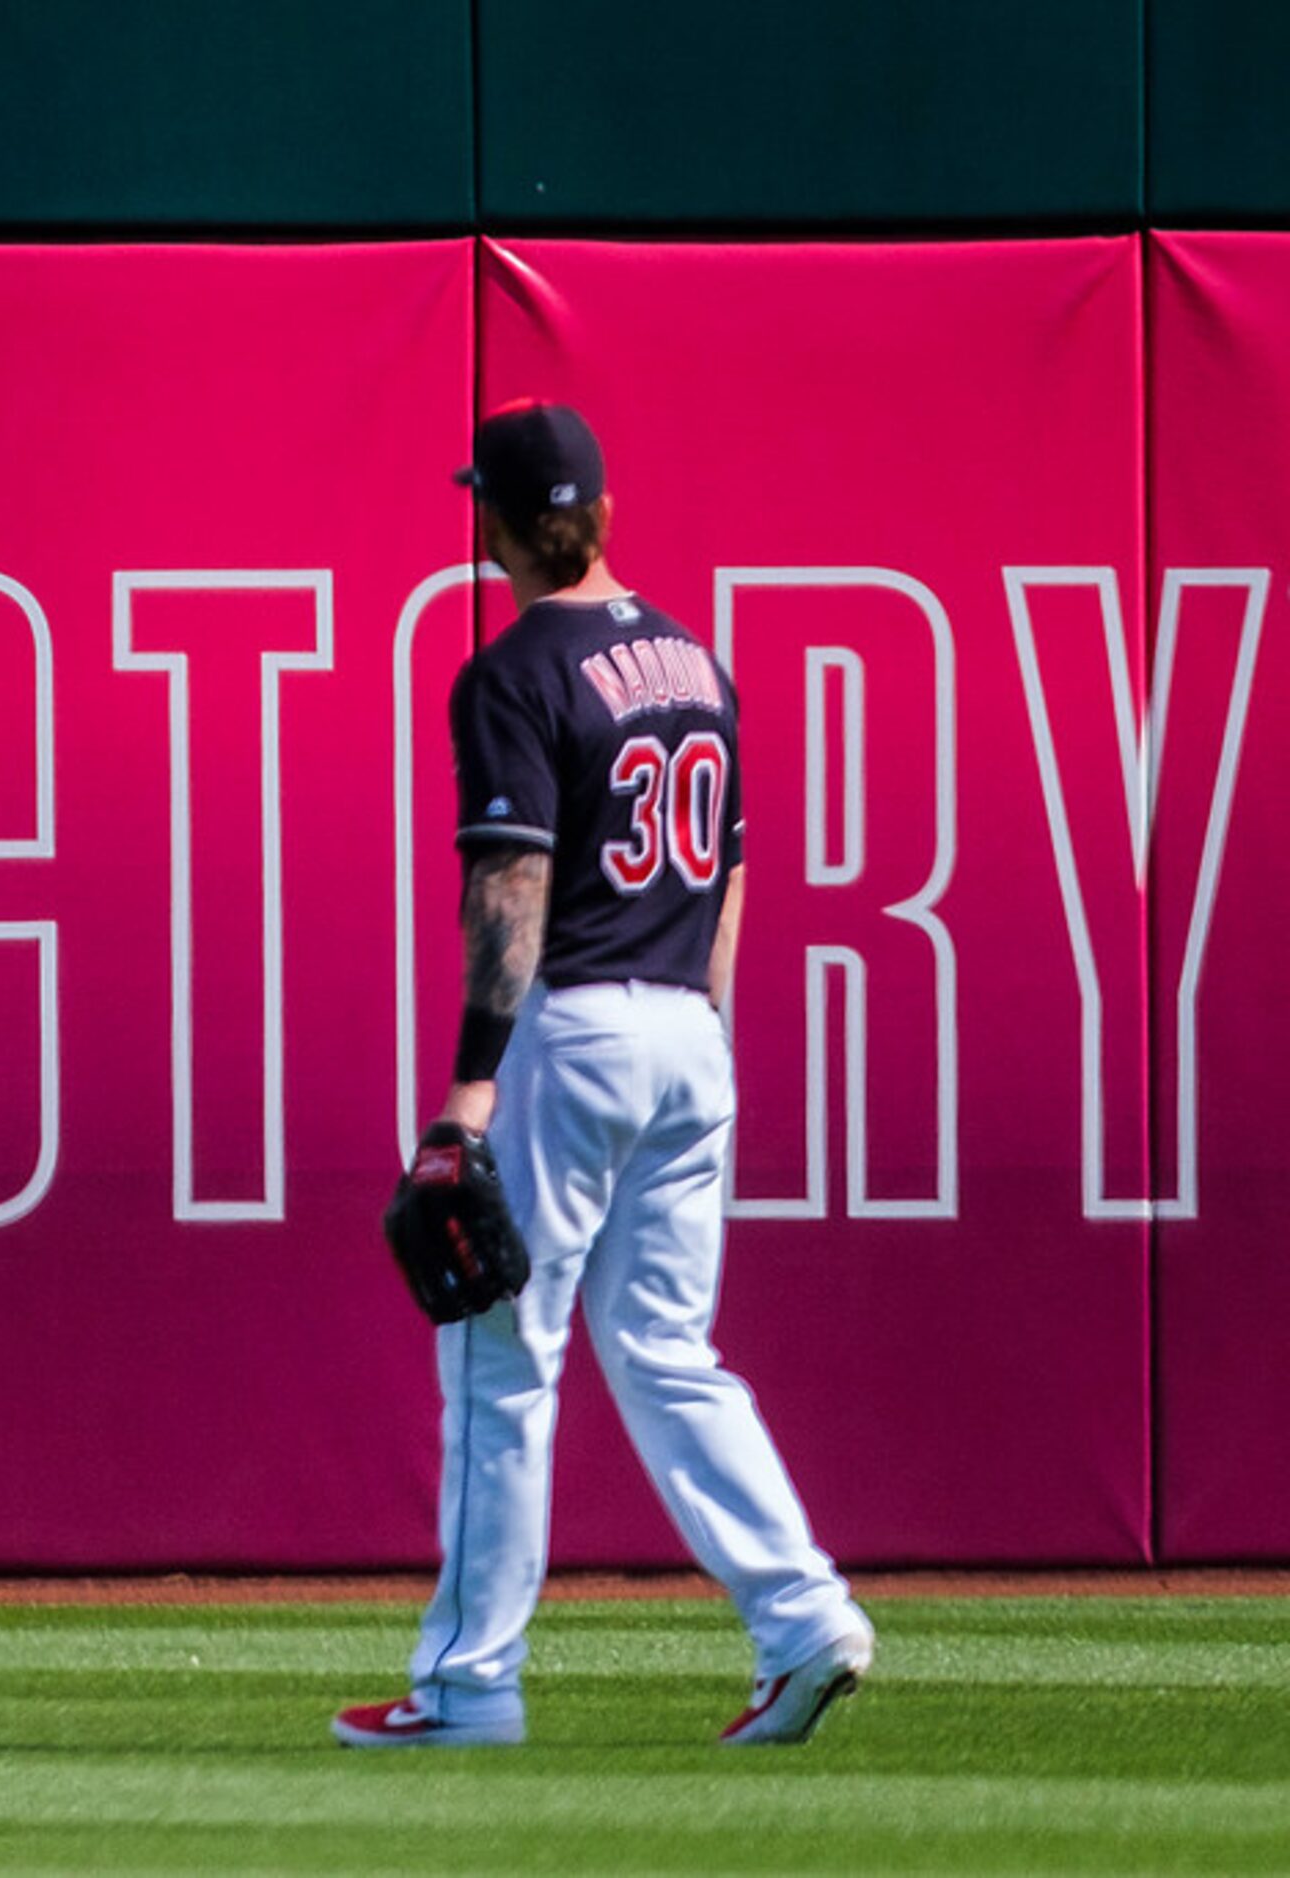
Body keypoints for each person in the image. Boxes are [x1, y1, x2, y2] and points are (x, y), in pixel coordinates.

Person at [333, 404, 871, 1749]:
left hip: (577, 1027)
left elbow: (512, 883)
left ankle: (468, 1688)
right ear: (608, 516)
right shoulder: (694, 659)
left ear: (495, 527)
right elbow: (734, 862)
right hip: (693, 1027)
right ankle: (805, 1614)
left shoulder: (513, 672)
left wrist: (468, 1088)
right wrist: (703, 1026)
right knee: (669, 1351)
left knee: (503, 1362)